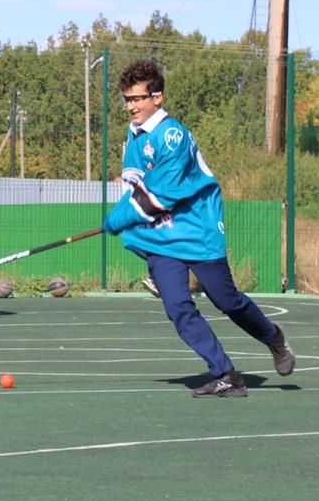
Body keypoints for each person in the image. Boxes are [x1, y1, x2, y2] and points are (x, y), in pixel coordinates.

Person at [102, 60, 295, 398]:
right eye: (126, 99)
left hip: (196, 229)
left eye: (138, 98)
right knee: (177, 307)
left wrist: (121, 218)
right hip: (162, 236)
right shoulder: (133, 139)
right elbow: (134, 189)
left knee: (227, 300)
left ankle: (273, 337)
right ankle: (225, 374)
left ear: (157, 97)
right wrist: (124, 215)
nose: (131, 106)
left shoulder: (172, 135)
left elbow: (164, 190)